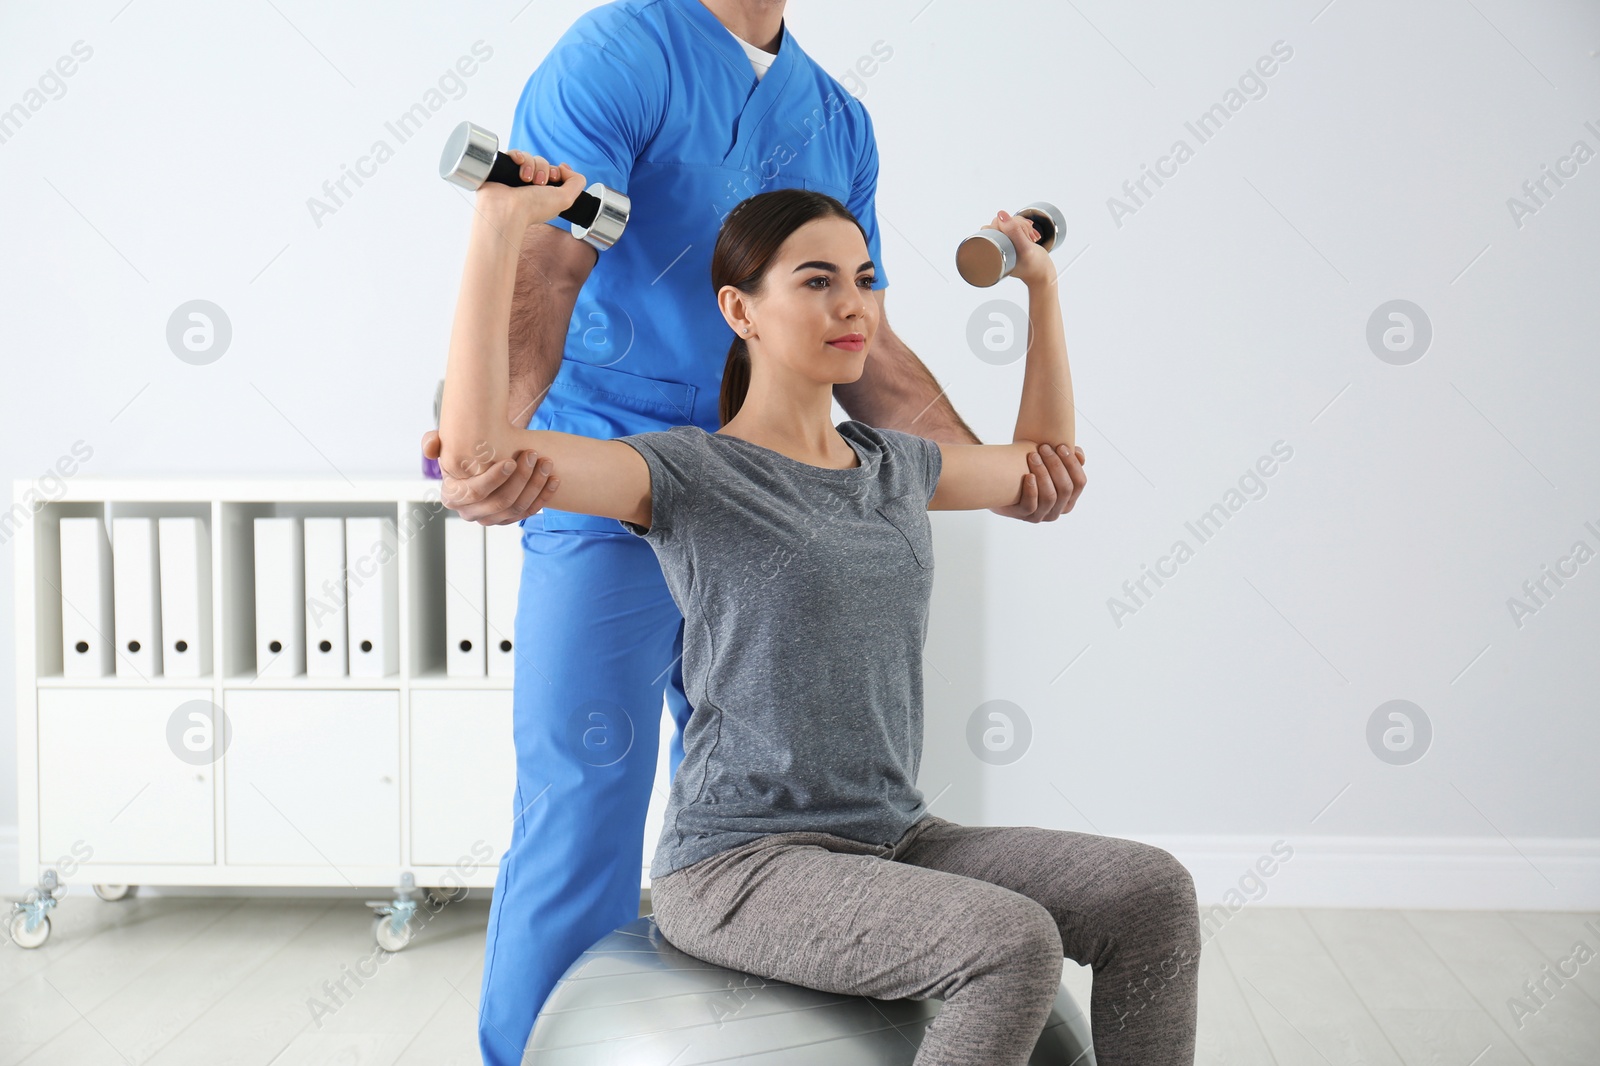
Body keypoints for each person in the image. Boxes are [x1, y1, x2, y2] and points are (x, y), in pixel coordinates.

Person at [419, 3, 1086, 1062]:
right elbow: (547, 262)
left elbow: (860, 334)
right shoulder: (618, 54)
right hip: (612, 473)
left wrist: (991, 475)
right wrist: (487, 433)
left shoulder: (837, 117)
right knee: (583, 789)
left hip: (773, 499)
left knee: (762, 812)